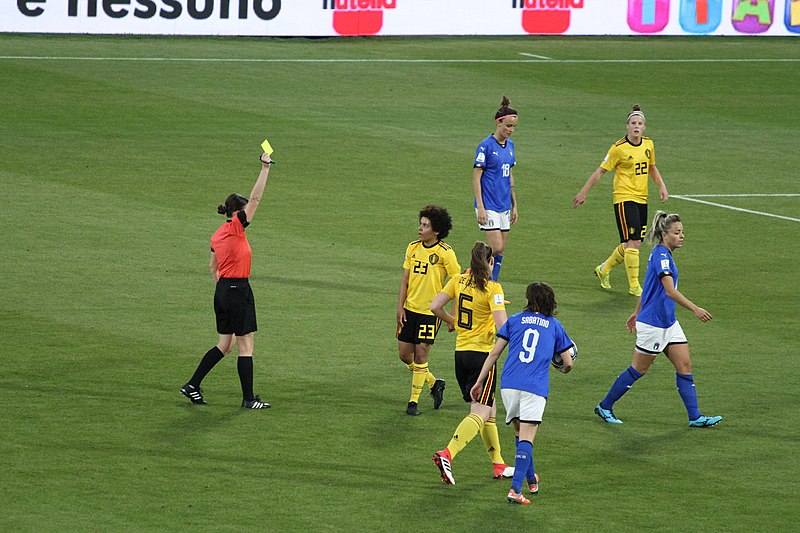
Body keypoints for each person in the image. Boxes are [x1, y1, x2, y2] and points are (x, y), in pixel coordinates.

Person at [593, 211, 722, 428]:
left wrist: (635, 312)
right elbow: (669, 291)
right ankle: (605, 406)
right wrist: (695, 309)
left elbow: (648, 288)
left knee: (685, 366)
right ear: (664, 234)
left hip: (668, 322)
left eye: (682, 232)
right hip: (653, 324)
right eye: (677, 232)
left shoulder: (661, 254)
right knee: (638, 370)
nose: (682, 236)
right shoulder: (662, 257)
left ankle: (695, 417)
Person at [180, 151, 273, 409]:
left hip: (222, 290)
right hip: (237, 288)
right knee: (246, 345)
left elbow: (213, 267)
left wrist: (224, 290)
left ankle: (192, 385)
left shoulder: (218, 234)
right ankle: (248, 399)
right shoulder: (235, 227)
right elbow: (256, 198)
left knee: (225, 344)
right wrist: (265, 169)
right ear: (237, 213)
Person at [470, 282, 576, 505]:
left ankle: (530, 479)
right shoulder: (555, 326)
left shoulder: (515, 320)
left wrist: (479, 381)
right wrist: (560, 367)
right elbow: (568, 363)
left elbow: (494, 353)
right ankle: (515, 490)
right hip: (534, 387)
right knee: (528, 436)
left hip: (508, 384)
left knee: (520, 432)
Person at [430, 241, 514, 485]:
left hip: (461, 355)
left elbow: (435, 306)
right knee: (480, 411)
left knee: (490, 409)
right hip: (482, 357)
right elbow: (502, 328)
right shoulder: (493, 288)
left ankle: (498, 463)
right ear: (489, 263)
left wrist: (452, 321)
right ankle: (447, 454)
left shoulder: (457, 280)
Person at [572, 104, 669, 297]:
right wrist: (583, 192)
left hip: (642, 199)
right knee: (632, 242)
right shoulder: (618, 149)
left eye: (640, 123)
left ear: (644, 127)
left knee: (633, 244)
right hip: (624, 198)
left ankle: (603, 269)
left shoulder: (648, 144)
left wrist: (662, 185)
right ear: (627, 126)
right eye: (633, 123)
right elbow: (601, 171)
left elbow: (652, 167)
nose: (636, 126)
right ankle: (634, 286)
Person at [397, 205, 460, 416]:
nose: (420, 228)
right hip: (410, 309)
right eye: (420, 224)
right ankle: (434, 383)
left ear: (437, 230)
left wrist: (452, 316)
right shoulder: (412, 248)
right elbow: (404, 281)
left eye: (426, 225)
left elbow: (457, 283)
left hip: (430, 314)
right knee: (406, 355)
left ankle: (413, 402)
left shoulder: (446, 253)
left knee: (421, 354)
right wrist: (400, 308)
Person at [472, 96, 519, 282]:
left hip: (504, 204)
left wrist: (515, 205)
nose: (511, 130)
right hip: (489, 204)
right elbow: (476, 177)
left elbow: (509, 176)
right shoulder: (485, 146)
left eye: (513, 127)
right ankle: (476, 273)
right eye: (508, 126)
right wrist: (481, 208)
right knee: (497, 246)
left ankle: (491, 283)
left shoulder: (510, 147)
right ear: (498, 123)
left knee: (500, 249)